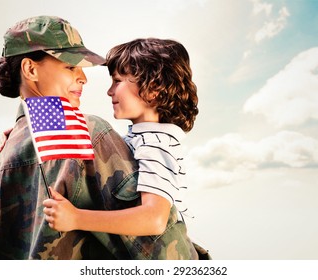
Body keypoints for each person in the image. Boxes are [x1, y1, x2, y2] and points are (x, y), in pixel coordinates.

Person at [0, 15, 138, 260]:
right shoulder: (89, 132)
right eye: (70, 66)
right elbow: (157, 243)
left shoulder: (4, 157)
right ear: (30, 69)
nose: (83, 78)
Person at [42, 38, 211, 259]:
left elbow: (155, 219)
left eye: (118, 81)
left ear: (153, 89)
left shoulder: (157, 145)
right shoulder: (144, 138)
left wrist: (76, 218)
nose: (109, 91)